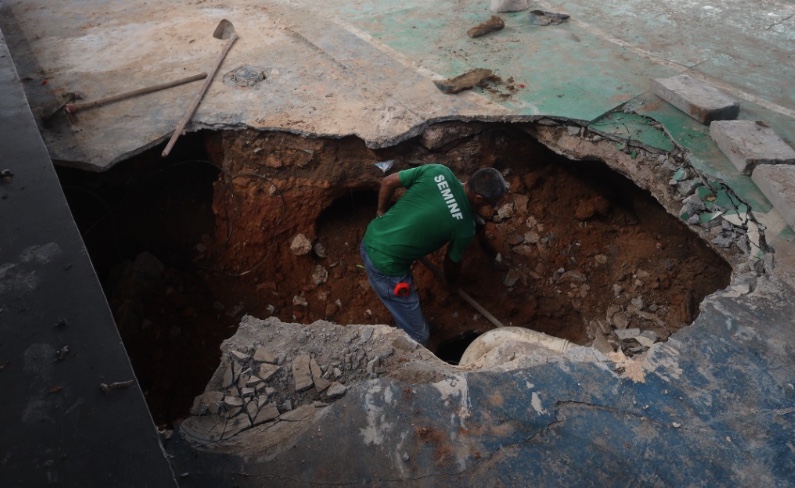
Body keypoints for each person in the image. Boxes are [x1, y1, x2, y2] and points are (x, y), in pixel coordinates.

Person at [359, 163, 508, 345]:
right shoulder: (464, 228)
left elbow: (389, 181)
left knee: (415, 322)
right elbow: (452, 262)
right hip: (387, 269)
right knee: (420, 338)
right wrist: (451, 285)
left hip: (372, 235)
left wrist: (381, 212)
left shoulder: (439, 171)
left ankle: (414, 323)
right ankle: (405, 345)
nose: (491, 207)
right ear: (478, 198)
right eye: (491, 204)